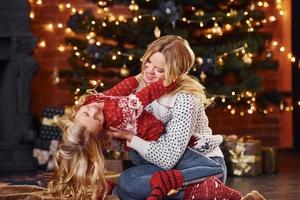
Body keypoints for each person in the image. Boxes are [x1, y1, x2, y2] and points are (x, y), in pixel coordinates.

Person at [109, 35, 265, 200]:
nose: (148, 72)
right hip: (162, 168)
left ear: (176, 72)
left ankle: (216, 191)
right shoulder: (138, 92)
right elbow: (137, 149)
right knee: (127, 181)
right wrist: (114, 137)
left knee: (129, 188)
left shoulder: (185, 99)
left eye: (159, 70)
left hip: (201, 167)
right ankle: (198, 194)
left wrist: (130, 137)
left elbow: (168, 158)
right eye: (148, 62)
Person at [47, 75, 177, 199]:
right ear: (101, 128)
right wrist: (169, 81)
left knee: (130, 178)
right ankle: (164, 183)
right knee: (132, 177)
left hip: (138, 141)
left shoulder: (91, 102)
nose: (94, 110)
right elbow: (144, 97)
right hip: (155, 137)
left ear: (74, 116)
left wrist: (138, 78)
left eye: (86, 113)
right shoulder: (115, 114)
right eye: (97, 119)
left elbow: (116, 91)